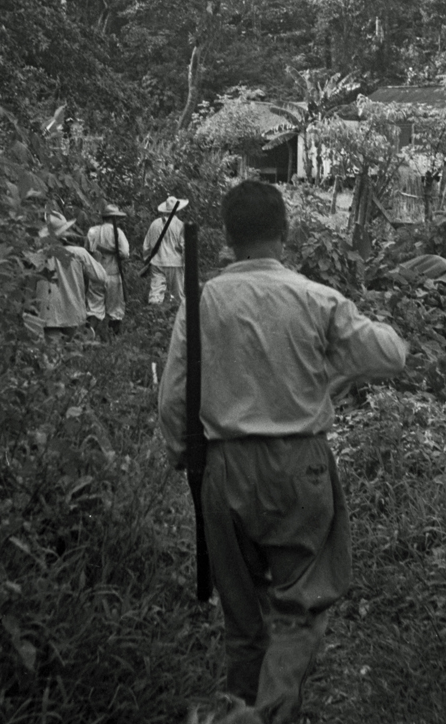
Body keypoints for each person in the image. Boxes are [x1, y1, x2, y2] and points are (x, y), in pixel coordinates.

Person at [158, 180, 407, 723]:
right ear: (285, 232)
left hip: (222, 471)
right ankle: (270, 714)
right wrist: (332, 370)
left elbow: (175, 398)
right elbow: (391, 354)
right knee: (300, 608)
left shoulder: (202, 300)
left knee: (243, 622)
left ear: (227, 237)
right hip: (300, 466)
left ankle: (239, 710)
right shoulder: (315, 298)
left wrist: (186, 459)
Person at [33, 208, 107, 342]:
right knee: (73, 351)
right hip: (73, 311)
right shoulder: (79, 253)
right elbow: (101, 277)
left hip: (49, 312)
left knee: (51, 354)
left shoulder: (38, 255)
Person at [85, 203, 131, 336]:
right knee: (115, 309)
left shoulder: (92, 231)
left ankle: (89, 335)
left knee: (93, 307)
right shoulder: (118, 232)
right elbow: (125, 253)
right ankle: (113, 337)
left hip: (95, 273)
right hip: (113, 274)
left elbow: (87, 251)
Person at [142, 196, 187, 305]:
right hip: (175, 263)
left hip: (157, 263)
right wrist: (186, 264)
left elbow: (146, 246)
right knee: (178, 297)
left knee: (155, 295)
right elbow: (184, 247)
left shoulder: (154, 224)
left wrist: (147, 260)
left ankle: (154, 317)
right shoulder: (180, 225)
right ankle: (177, 318)